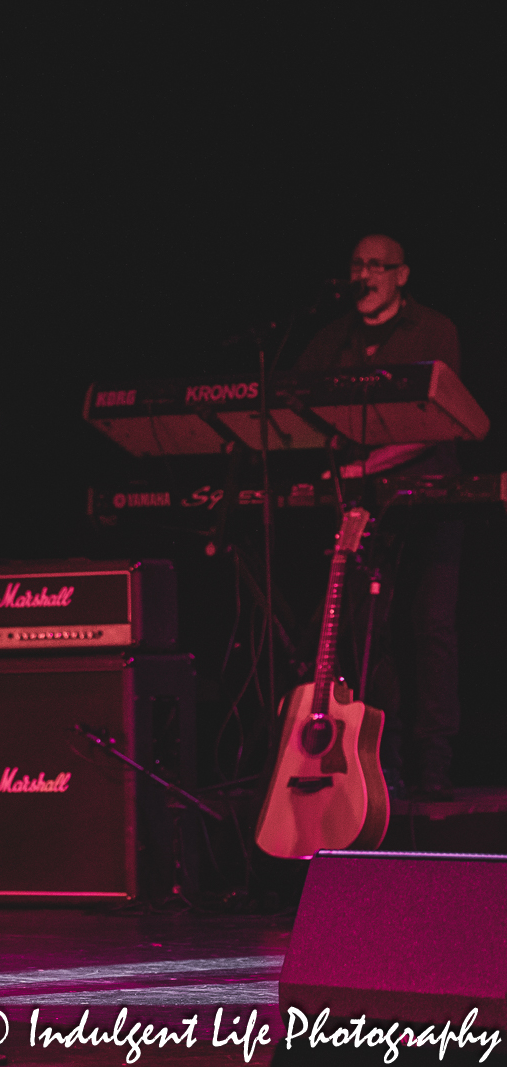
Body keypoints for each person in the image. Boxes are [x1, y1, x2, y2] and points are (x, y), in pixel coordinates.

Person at [297, 235, 463, 799]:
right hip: (361, 504)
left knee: (429, 627)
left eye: (376, 266)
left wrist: (362, 465)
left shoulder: (433, 330)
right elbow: (297, 406)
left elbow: (434, 420)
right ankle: (379, 765)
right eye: (357, 264)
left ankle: (433, 766)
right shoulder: (332, 339)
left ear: (402, 275)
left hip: (430, 499)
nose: (364, 274)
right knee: (366, 629)